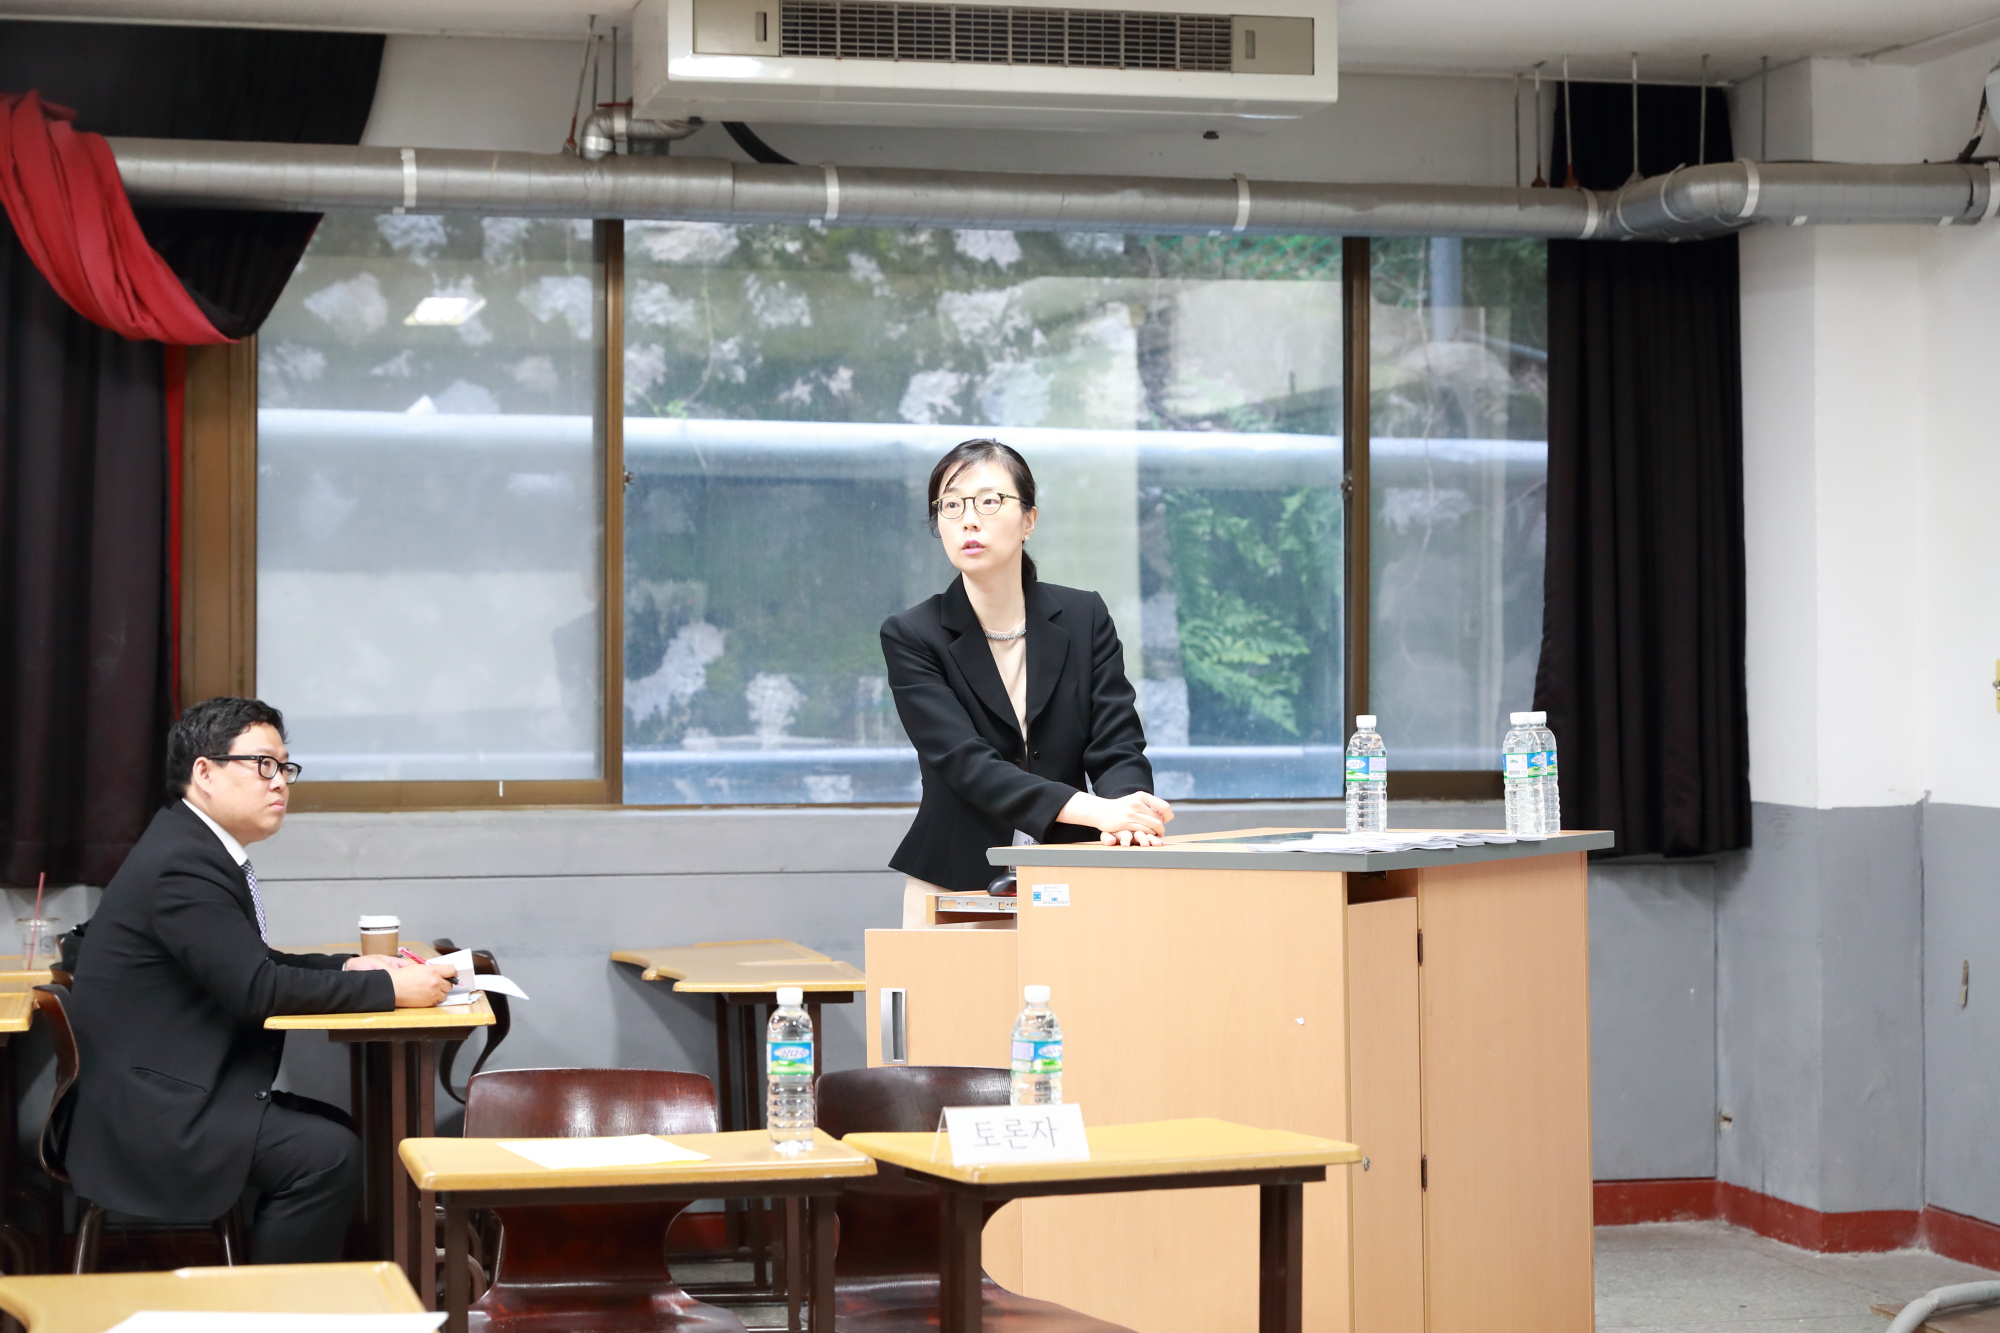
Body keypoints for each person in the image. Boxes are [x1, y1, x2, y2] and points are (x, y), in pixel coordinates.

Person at [66, 697, 455, 1264]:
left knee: (335, 1130)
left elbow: (251, 963)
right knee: (328, 1154)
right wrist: (391, 992)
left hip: (170, 1091)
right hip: (153, 1115)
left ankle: (307, 1293)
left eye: (285, 767)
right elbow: (256, 990)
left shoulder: (190, 845)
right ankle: (272, 1305)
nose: (280, 782)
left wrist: (351, 967)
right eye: (263, 764)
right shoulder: (183, 863)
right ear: (204, 772)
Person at [881, 439, 1174, 920]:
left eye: (989, 501)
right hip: (954, 883)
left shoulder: (1084, 616)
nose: (968, 520)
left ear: (1029, 520)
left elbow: (1116, 743)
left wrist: (1129, 818)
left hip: (1075, 874)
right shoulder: (912, 634)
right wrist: (1096, 811)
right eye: (951, 506)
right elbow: (965, 764)